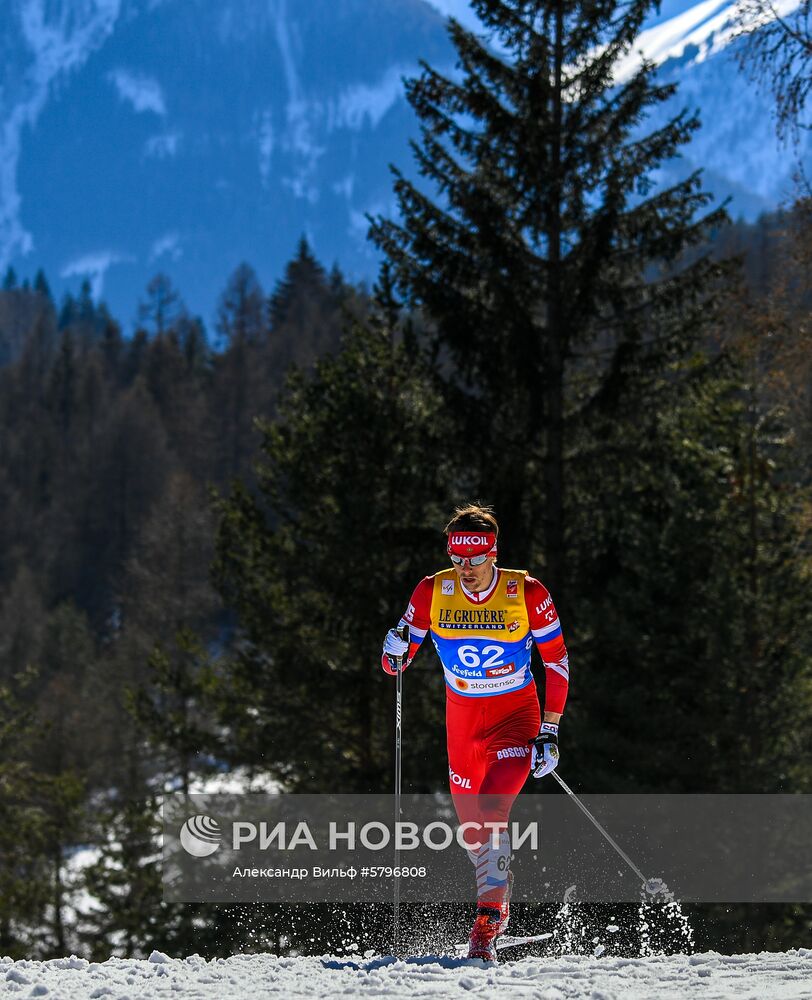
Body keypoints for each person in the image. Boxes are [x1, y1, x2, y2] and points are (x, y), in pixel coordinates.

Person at [381, 503, 570, 961]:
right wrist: (393, 650)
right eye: (457, 558)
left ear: (492, 553)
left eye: (474, 558)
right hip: (462, 723)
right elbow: (397, 664)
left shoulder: (526, 591)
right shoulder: (432, 591)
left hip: (515, 717)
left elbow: (556, 662)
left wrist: (549, 729)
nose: (465, 568)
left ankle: (487, 921)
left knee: (492, 808)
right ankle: (499, 899)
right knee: (472, 831)